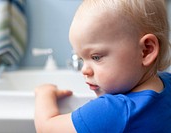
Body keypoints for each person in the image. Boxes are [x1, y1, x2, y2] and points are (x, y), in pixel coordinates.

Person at [34, 0, 171, 132]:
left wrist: (44, 94)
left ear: (146, 50)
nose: (84, 70)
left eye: (96, 57)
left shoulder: (114, 110)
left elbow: (47, 128)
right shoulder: (167, 84)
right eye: (82, 59)